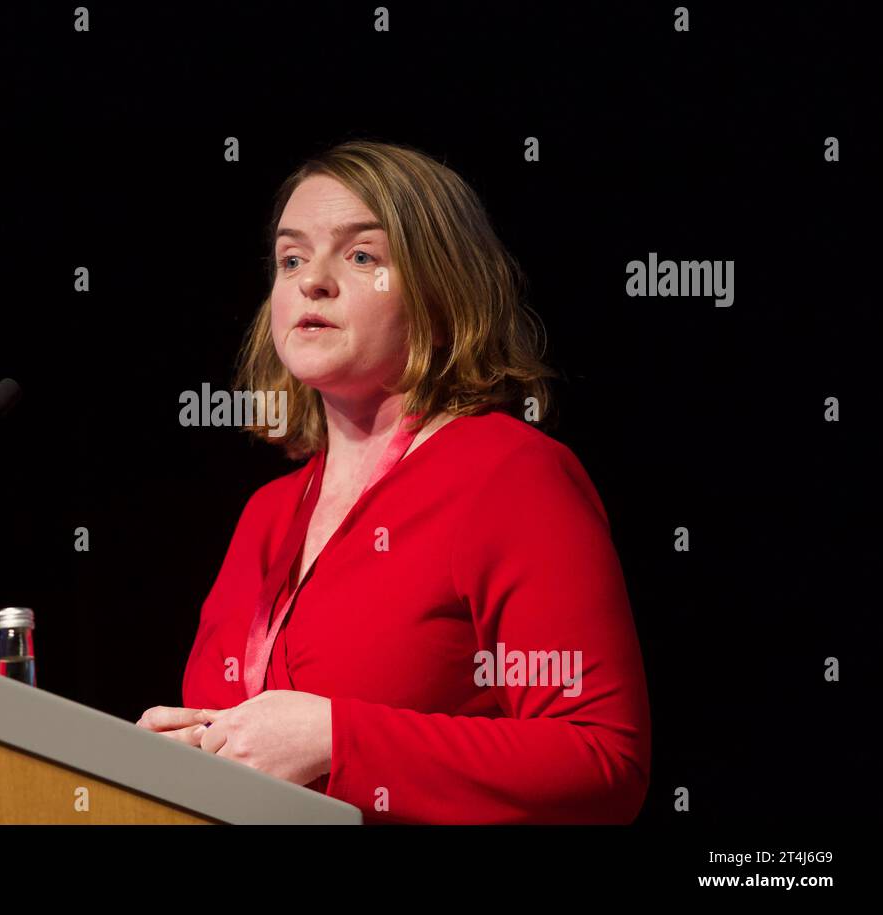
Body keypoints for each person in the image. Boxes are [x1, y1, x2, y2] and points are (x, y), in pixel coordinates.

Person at [135, 140, 651, 824]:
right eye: (291, 259)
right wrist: (175, 761)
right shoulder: (266, 513)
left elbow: (601, 761)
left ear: (440, 297)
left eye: (361, 256)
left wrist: (337, 739)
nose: (310, 281)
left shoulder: (508, 475)